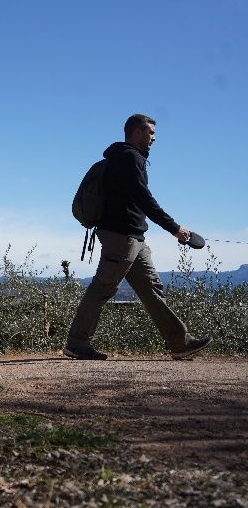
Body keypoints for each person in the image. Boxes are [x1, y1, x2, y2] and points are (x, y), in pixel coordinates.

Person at [64, 114, 213, 360]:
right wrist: (174, 228)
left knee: (152, 289)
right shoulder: (129, 157)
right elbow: (143, 197)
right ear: (136, 132)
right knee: (102, 289)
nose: (154, 137)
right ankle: (76, 344)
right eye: (150, 132)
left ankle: (180, 343)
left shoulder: (126, 158)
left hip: (134, 237)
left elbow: (137, 198)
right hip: (121, 236)